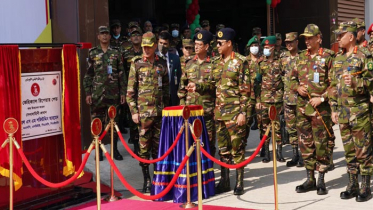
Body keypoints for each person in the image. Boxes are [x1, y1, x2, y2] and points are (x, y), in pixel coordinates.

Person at [330, 21, 373, 202]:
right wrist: (333, 107)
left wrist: (356, 83)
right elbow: (332, 85)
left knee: (362, 150)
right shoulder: (338, 58)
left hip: (360, 111)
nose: (338, 38)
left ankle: (365, 186)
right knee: (349, 150)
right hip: (343, 113)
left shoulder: (364, 56)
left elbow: (371, 82)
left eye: (341, 35)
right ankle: (352, 183)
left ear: (351, 37)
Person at [291, 24, 335, 195]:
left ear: (318, 38)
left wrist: (322, 98)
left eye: (310, 38)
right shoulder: (301, 58)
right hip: (303, 109)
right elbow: (291, 80)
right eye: (305, 38)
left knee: (321, 144)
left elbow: (335, 84)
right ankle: (310, 179)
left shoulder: (328, 57)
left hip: (320, 110)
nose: (307, 41)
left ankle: (322, 179)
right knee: (305, 144)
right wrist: (297, 88)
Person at [126, 32, 169, 193]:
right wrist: (133, 112)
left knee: (158, 148)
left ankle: (158, 177)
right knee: (144, 149)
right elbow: (130, 91)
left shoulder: (161, 63)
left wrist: (166, 109)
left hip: (159, 113)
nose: (145, 49)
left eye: (148, 47)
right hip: (143, 115)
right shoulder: (136, 63)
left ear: (154, 46)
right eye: (143, 47)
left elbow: (165, 88)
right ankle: (147, 179)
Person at [210, 28, 251, 195]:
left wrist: (243, 112)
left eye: (220, 43)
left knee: (237, 148)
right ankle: (224, 181)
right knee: (224, 150)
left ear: (229, 43)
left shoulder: (241, 62)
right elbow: (213, 87)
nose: (217, 46)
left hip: (235, 113)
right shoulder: (215, 63)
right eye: (216, 43)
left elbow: (246, 90)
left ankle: (239, 182)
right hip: (220, 113)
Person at [83, 26, 125, 161]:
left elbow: (121, 74)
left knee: (114, 123)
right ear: (98, 37)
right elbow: (88, 75)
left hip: (113, 95)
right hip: (97, 95)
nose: (105, 36)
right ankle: (99, 150)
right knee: (97, 124)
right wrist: (88, 93)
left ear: (110, 36)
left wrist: (123, 92)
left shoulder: (116, 53)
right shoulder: (93, 53)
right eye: (102, 34)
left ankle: (114, 150)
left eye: (107, 33)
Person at [178, 30, 217, 156]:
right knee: (191, 141)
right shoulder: (189, 64)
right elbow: (182, 86)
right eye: (195, 44)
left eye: (199, 45)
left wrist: (198, 86)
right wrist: (182, 105)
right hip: (191, 110)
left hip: (207, 109)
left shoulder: (214, 64)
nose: (195, 47)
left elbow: (216, 85)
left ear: (206, 46)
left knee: (209, 142)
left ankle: (208, 170)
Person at [256, 36, 284, 163]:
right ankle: (267, 152)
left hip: (277, 99)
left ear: (273, 48)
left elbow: (284, 81)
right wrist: (258, 101)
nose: (265, 50)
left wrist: (283, 99)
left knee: (277, 127)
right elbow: (257, 83)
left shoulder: (280, 62)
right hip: (264, 99)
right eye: (264, 48)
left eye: (268, 48)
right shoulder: (261, 63)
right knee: (265, 126)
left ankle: (279, 152)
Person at [280, 32, 303, 167]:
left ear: (296, 42)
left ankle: (303, 156)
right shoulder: (283, 57)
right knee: (291, 128)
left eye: (291, 42)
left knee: (302, 129)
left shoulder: (303, 57)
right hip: (288, 98)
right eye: (286, 42)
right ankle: (295, 154)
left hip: (300, 98)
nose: (288, 44)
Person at [122, 26, 143, 155]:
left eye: (138, 35)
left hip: (144, 89)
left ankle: (143, 144)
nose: (135, 37)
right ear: (130, 38)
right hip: (131, 89)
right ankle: (135, 144)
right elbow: (122, 72)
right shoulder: (126, 53)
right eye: (133, 35)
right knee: (132, 118)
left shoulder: (145, 52)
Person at [156, 31, 181, 106]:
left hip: (170, 96)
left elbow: (178, 78)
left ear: (169, 44)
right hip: (157, 96)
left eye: (165, 44)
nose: (162, 46)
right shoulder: (154, 57)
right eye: (160, 43)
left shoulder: (175, 58)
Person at [245, 36, 262, 133]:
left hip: (261, 96)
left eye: (256, 45)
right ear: (249, 47)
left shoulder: (263, 60)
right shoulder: (244, 62)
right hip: (248, 97)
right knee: (246, 122)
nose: (254, 47)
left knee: (262, 123)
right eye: (252, 45)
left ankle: (264, 147)